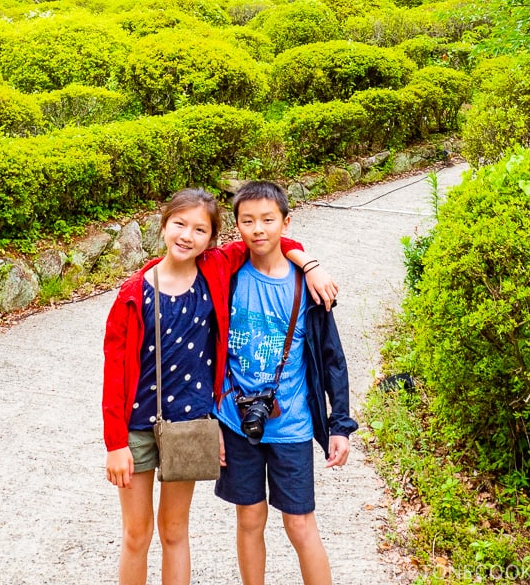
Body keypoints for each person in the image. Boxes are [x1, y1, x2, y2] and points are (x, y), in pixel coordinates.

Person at [102, 187, 337, 585]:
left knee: (175, 531)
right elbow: (115, 373)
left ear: (212, 240)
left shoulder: (214, 270)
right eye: (179, 224)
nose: (186, 236)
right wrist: (115, 444)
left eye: (199, 229)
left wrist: (308, 263)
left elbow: (264, 238)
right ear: (163, 226)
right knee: (136, 534)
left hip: (191, 425)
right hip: (138, 427)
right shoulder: (132, 294)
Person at [215, 180, 357, 585]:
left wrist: (339, 425)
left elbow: (333, 358)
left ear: (286, 222)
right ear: (237, 226)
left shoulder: (308, 288)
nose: (258, 229)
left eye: (267, 220)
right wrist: (211, 420)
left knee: (300, 525)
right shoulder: (227, 278)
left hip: (291, 425)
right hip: (234, 420)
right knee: (250, 518)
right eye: (247, 221)